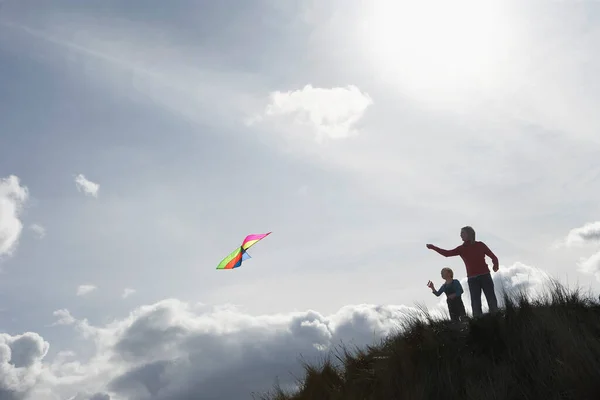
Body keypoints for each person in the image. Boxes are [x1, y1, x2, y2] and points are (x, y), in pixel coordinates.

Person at [426, 226, 499, 318]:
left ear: (469, 234)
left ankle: (497, 318)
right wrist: (433, 247)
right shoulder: (461, 248)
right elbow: (447, 254)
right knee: (475, 302)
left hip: (485, 276)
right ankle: (478, 323)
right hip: (472, 279)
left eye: (463, 233)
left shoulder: (480, 245)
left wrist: (495, 265)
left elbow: (493, 257)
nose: (460, 235)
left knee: (491, 298)